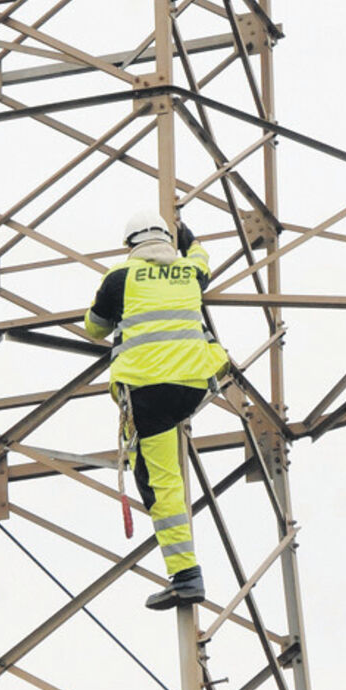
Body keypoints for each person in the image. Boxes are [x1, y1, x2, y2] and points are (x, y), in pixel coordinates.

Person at [84, 209, 229, 610]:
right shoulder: (189, 272)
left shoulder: (119, 277)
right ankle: (185, 573)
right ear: (168, 240)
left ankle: (186, 576)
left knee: (161, 484)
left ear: (128, 244)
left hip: (148, 392)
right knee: (161, 474)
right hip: (193, 386)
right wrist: (190, 239)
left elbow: (94, 327)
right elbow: (202, 259)